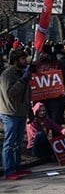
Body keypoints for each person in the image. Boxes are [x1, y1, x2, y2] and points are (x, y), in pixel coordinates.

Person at [0, 49, 33, 180]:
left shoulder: (22, 72)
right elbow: (11, 93)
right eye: (23, 59)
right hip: (10, 112)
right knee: (9, 142)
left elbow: (26, 94)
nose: (25, 61)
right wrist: (23, 80)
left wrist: (30, 111)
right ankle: (8, 170)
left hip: (21, 111)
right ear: (15, 61)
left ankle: (17, 167)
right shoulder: (7, 75)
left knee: (18, 143)